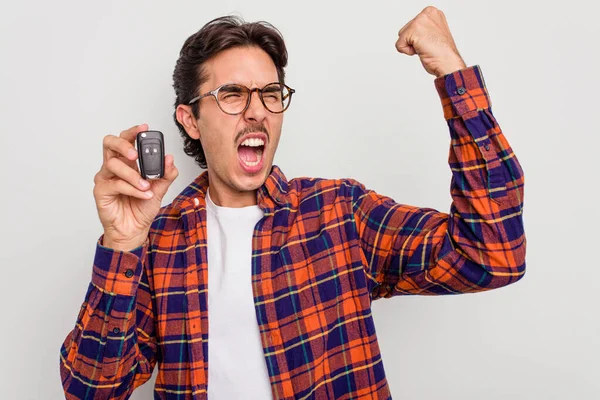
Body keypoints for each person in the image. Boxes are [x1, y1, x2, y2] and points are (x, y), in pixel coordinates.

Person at [59, 7, 526, 400]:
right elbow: (93, 390)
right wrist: (122, 243)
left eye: (269, 93)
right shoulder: (157, 241)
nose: (257, 110)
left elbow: (492, 254)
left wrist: (453, 73)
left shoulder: (338, 213)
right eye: (233, 94)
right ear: (191, 120)